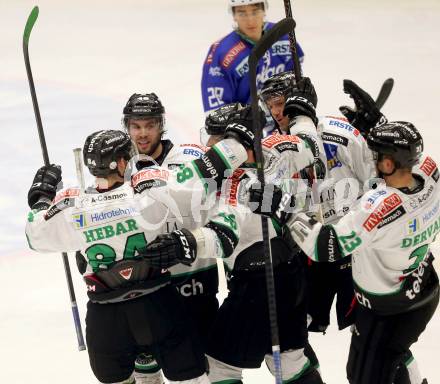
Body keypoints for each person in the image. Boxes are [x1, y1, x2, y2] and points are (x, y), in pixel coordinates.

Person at [25, 125, 253, 384]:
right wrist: (233, 145)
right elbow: (196, 178)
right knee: (191, 378)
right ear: (122, 162)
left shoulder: (72, 206)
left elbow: (35, 235)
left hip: (106, 320)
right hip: (158, 306)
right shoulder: (145, 192)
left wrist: (42, 197)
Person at [142, 100, 325, 383]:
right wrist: (302, 116)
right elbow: (308, 144)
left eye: (218, 139)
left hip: (258, 283)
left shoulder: (230, 181)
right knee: (289, 362)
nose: (213, 148)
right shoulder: (277, 148)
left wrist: (187, 242)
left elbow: (224, 234)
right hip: (292, 272)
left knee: (220, 366)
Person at [287, 121, 439, 384]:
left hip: (387, 309)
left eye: (377, 156)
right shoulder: (430, 173)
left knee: (368, 377)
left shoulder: (377, 206)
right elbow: (411, 152)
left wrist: (287, 212)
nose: (373, 160)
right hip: (422, 288)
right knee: (374, 366)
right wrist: (378, 123)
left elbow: (325, 246)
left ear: (389, 164)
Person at [261, 71, 380, 332]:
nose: (276, 112)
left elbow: (376, 183)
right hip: (309, 248)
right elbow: (266, 198)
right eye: (270, 106)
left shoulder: (340, 134)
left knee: (369, 330)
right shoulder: (273, 147)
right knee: (292, 332)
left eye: (280, 103)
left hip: (353, 245)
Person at [121, 93, 219, 383]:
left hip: (193, 279)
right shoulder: (121, 164)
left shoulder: (187, 157)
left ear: (160, 125)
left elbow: (199, 198)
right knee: (146, 372)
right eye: (135, 126)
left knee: (200, 371)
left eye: (149, 125)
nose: (142, 133)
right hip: (147, 288)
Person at [201, 0, 304, 114]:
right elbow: (216, 111)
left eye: (255, 12)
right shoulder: (222, 54)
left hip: (283, 118)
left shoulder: (282, 36)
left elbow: (296, 82)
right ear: (234, 15)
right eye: (242, 13)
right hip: (246, 126)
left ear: (264, 11)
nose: (250, 20)